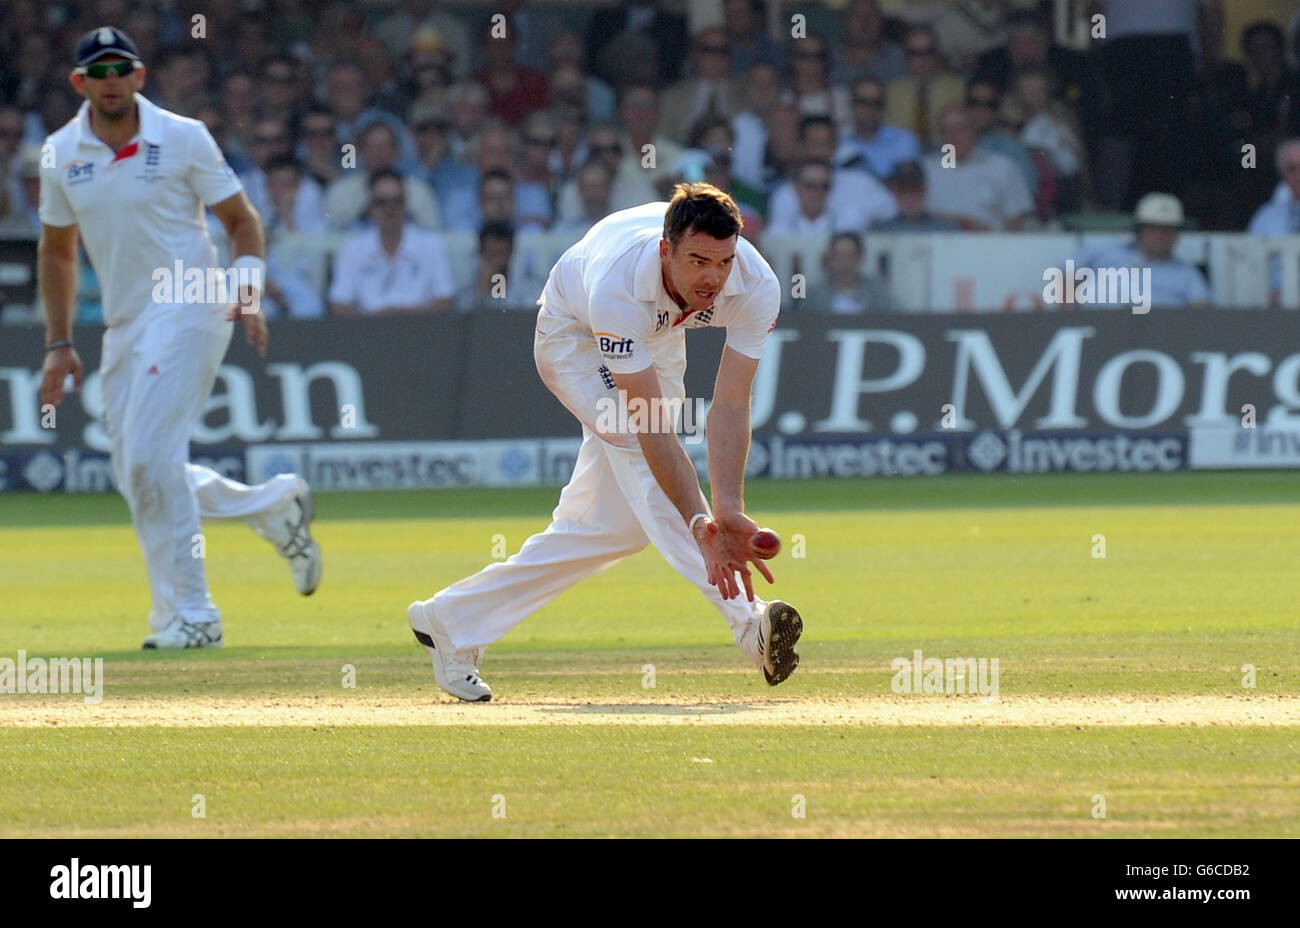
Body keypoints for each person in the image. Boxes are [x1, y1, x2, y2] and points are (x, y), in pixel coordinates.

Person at [407, 184, 804, 701]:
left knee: (609, 530)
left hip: (657, 337)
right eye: (698, 261)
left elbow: (729, 404)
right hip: (572, 335)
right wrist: (701, 525)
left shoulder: (756, 284)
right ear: (666, 251)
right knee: (644, 456)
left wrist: (728, 509)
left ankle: (450, 622)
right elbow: (652, 429)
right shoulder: (618, 287)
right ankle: (750, 627)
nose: (713, 277)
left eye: (724, 262)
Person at [38, 27, 322, 650]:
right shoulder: (60, 152)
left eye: (122, 68)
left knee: (147, 464)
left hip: (193, 306)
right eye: (99, 71)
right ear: (79, 83)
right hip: (124, 325)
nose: (111, 79)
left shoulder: (185, 136)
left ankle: (194, 616)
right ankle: (270, 507)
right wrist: (59, 342)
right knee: (140, 472)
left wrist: (247, 294)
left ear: (139, 76)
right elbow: (57, 252)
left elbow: (241, 221)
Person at [327, 169, 456, 315]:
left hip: (421, 330)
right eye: (381, 203)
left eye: (397, 202)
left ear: (406, 204)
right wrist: (375, 321)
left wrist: (404, 316)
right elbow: (338, 303)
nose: (390, 209)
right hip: (367, 332)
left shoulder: (432, 245)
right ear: (370, 207)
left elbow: (446, 300)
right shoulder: (353, 249)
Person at [1070, 193, 1210, 309]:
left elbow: (1201, 314)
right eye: (1154, 228)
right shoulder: (1103, 251)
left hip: (1161, 337)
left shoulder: (1187, 273)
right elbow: (1064, 279)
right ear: (1139, 229)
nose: (1161, 235)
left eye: (1169, 230)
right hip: (1095, 330)